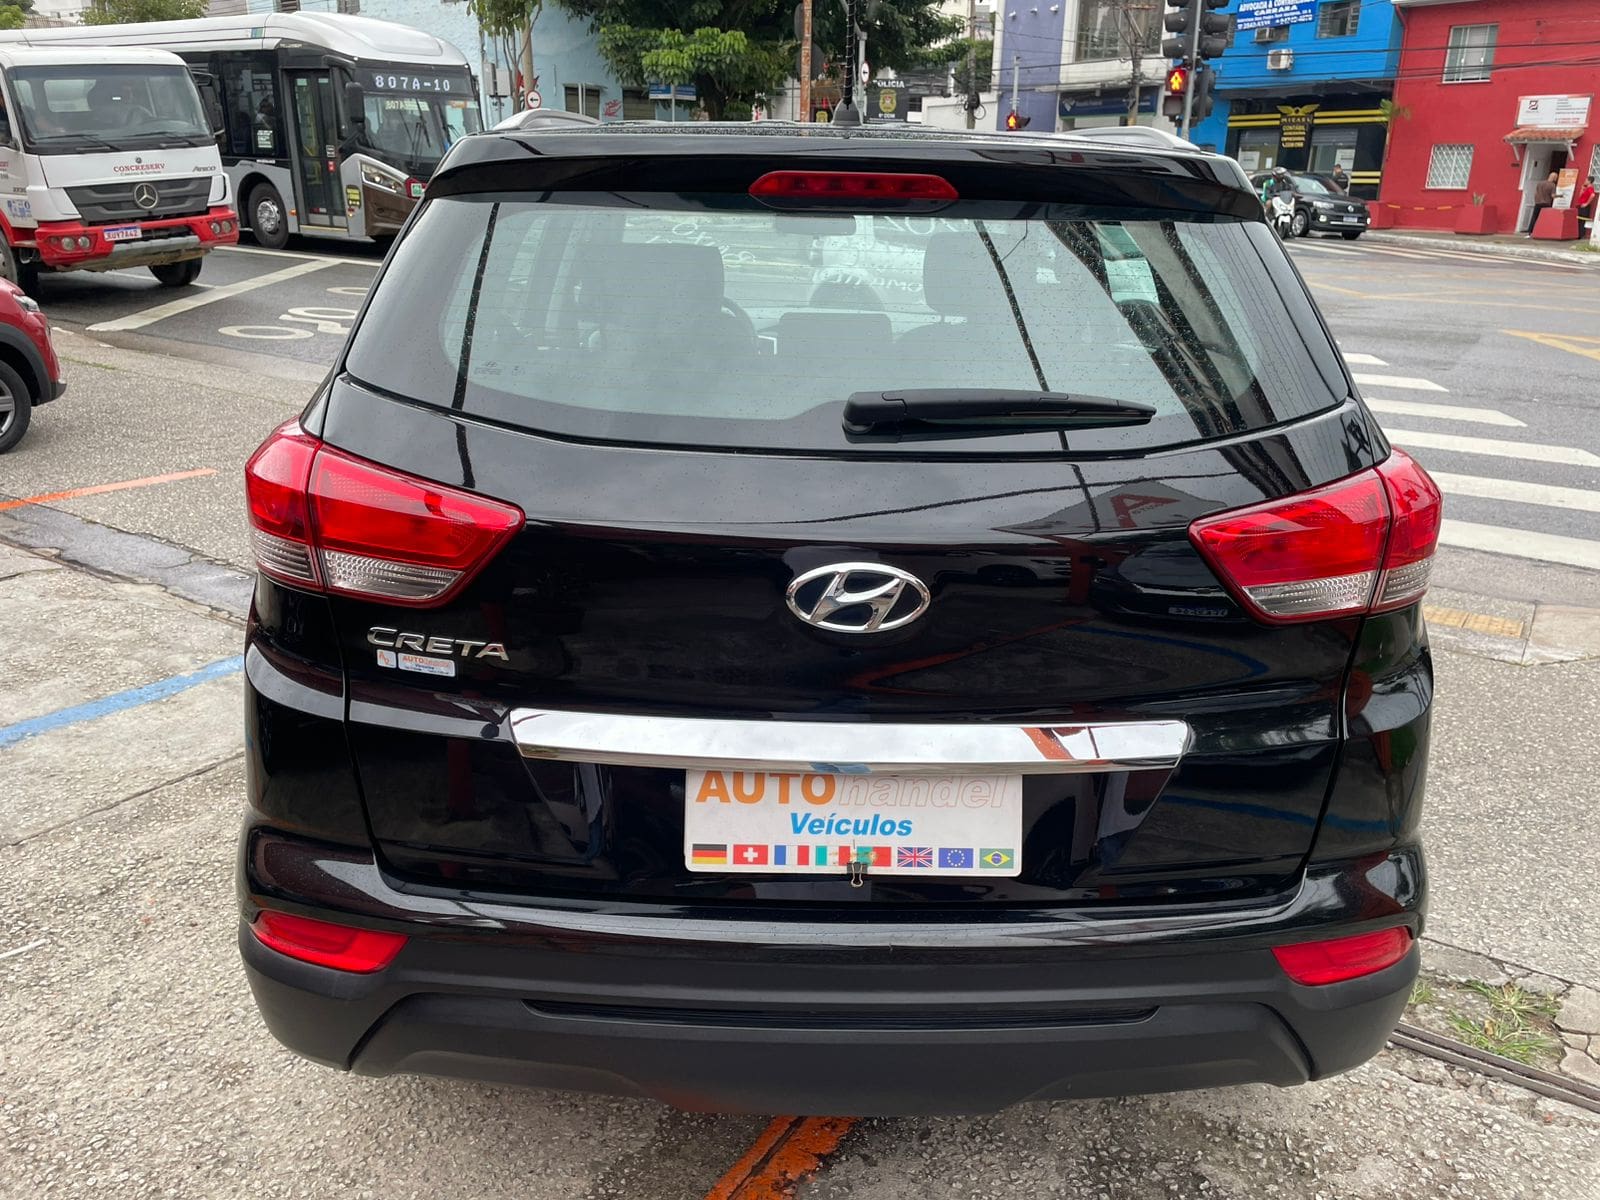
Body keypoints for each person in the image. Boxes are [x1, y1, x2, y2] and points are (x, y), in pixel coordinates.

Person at [1526, 171, 1558, 236]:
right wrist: (1560, 196)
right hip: (1546, 203)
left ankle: (1530, 232)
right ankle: (1543, 232)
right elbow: (1553, 196)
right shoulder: (1552, 185)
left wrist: (1536, 200)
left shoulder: (1540, 183)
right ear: (1554, 178)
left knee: (1534, 217)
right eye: (1556, 177)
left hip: (1538, 203)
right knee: (1545, 219)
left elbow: (1536, 193)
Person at [1576, 175, 1597, 240]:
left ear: (1589, 181)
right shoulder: (1586, 188)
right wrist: (1582, 189)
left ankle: (1581, 235)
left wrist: (1586, 203)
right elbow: (1580, 196)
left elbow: (1592, 195)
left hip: (1584, 206)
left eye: (1586, 180)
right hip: (1580, 205)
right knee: (1579, 221)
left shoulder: (1590, 188)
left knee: (1582, 221)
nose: (1585, 181)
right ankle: (1578, 234)